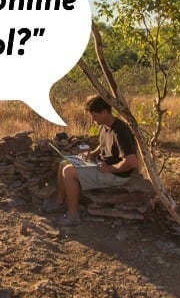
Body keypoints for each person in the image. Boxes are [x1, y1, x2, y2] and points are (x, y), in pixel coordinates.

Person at [50, 95, 139, 226]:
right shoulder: (104, 126)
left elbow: (131, 162)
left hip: (116, 174)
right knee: (63, 163)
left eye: (95, 116)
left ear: (105, 112)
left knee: (69, 172)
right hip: (103, 166)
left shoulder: (121, 131)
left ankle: (73, 215)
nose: (92, 119)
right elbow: (103, 144)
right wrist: (92, 154)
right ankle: (59, 202)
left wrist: (111, 169)